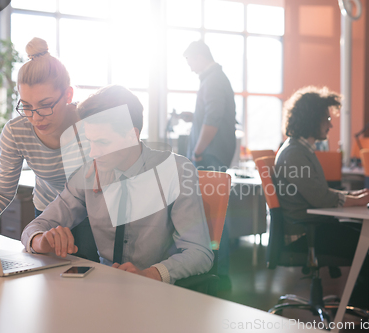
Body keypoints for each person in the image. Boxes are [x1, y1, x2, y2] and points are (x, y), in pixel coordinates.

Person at [21, 85, 214, 283]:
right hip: (105, 288)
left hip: (158, 292)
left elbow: (199, 252)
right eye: (90, 142)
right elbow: (36, 226)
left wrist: (150, 274)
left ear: (132, 135)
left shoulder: (176, 171)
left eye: (103, 142)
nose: (93, 153)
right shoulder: (90, 173)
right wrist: (40, 241)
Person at [275, 86, 369, 307]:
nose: (330, 124)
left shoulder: (300, 150)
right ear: (313, 119)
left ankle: (359, 306)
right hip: (307, 234)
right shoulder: (294, 154)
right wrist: (356, 199)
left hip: (313, 227)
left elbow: (320, 193)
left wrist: (353, 195)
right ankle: (361, 310)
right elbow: (320, 199)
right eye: (326, 119)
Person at [0, 37, 82, 220]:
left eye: (46, 105)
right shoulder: (16, 132)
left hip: (94, 212)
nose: (36, 118)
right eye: (27, 106)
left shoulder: (92, 122)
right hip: (49, 212)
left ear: (68, 95)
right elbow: (2, 191)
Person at [180, 40, 236, 172]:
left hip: (209, 156)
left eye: (191, 64)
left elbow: (213, 118)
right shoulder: (213, 78)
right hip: (209, 154)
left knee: (207, 192)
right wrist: (196, 117)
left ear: (199, 57)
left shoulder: (213, 80)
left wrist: (197, 152)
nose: (191, 69)